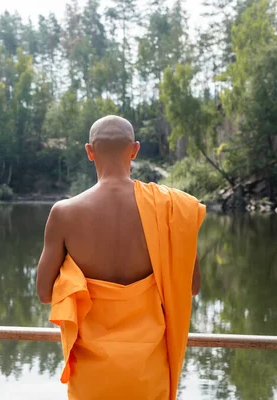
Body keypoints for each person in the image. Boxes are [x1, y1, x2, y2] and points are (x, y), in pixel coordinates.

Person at [36, 115, 205, 400]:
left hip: (91, 378)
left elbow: (44, 293)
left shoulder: (64, 213)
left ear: (89, 152)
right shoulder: (171, 209)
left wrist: (72, 276)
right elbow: (192, 286)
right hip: (148, 372)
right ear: (135, 149)